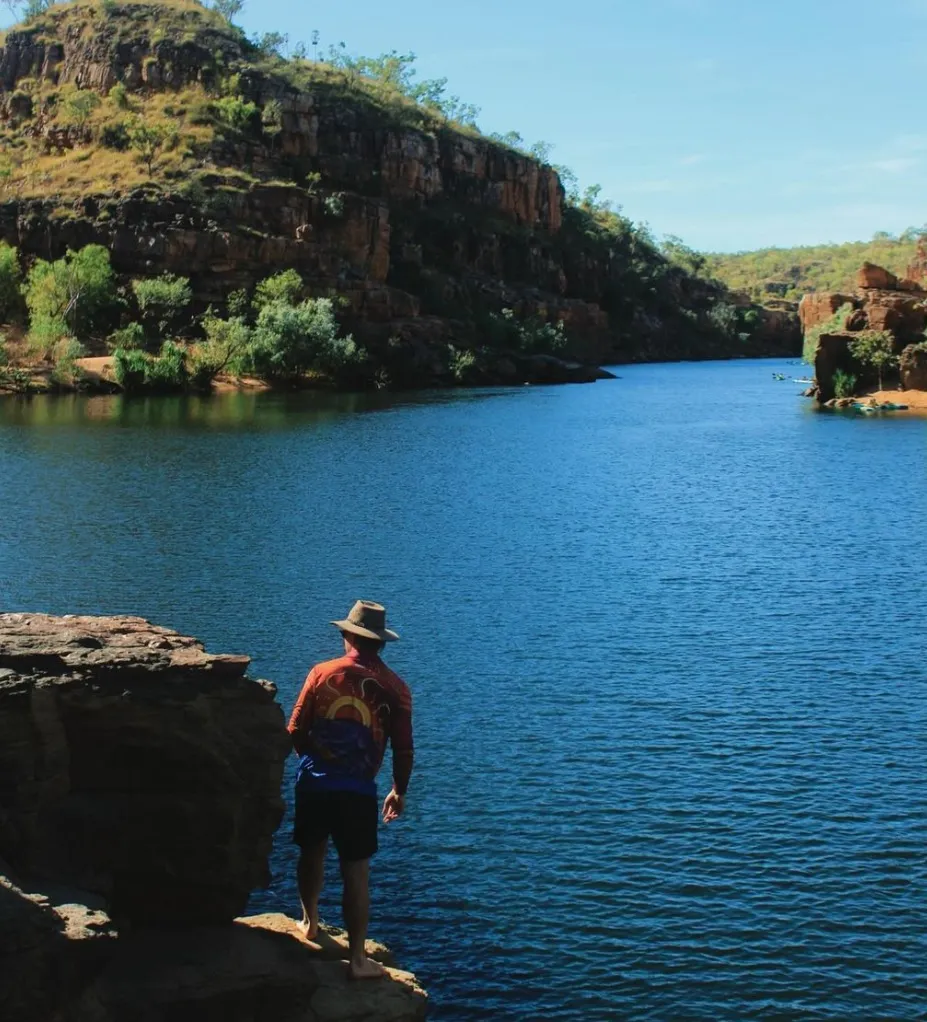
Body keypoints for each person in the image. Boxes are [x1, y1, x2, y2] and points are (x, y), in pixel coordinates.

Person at [287, 600, 414, 980]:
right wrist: (399, 790)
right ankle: (358, 959)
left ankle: (309, 924)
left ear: (348, 636)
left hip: (314, 782)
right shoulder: (396, 689)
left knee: (312, 852)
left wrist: (312, 758)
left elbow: (294, 729)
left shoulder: (322, 673)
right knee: (356, 871)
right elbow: (404, 748)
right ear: (381, 643)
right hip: (358, 790)